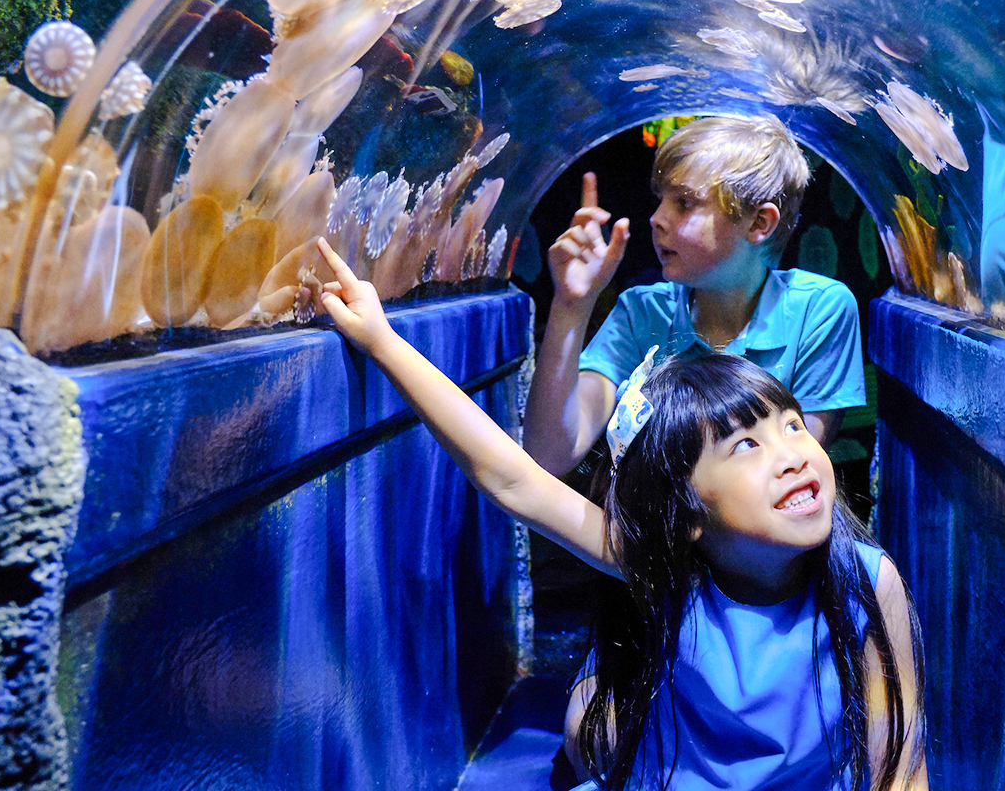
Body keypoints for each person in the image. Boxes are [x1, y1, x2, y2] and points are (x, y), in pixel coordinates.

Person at [316, 238, 927, 791]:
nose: (794, 455)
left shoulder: (867, 582)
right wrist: (381, 339)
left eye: (792, 425)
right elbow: (512, 479)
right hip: (661, 766)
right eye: (746, 444)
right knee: (596, 723)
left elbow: (899, 763)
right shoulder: (668, 567)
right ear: (687, 513)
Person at [525, 116, 865, 482]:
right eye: (661, 200)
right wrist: (570, 306)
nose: (656, 218)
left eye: (685, 203)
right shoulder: (642, 311)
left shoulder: (819, 309)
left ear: (758, 224)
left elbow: (787, 475)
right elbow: (549, 455)